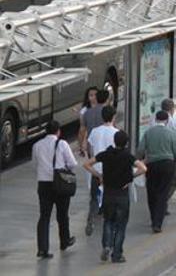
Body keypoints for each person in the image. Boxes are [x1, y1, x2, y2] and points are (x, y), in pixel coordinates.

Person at [83, 131, 146, 264]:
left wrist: (99, 175)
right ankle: (117, 254)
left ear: (114, 141)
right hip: (122, 195)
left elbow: (87, 164)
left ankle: (106, 245)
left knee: (108, 221)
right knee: (121, 225)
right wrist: (130, 178)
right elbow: (143, 168)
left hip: (108, 194)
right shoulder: (128, 156)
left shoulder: (106, 154)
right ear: (126, 143)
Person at [32, 120, 77, 259]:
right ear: (58, 131)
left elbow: (35, 164)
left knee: (44, 216)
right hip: (60, 183)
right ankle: (64, 241)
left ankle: (42, 249)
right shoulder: (62, 144)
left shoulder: (37, 145)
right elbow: (72, 163)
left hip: (43, 184)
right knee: (62, 214)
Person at [137, 111, 176, 233]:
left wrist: (141, 160)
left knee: (152, 192)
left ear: (156, 119)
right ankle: (158, 223)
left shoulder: (148, 133)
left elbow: (140, 150)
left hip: (152, 165)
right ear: (167, 121)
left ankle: (153, 219)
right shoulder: (171, 134)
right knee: (163, 193)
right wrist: (173, 162)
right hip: (167, 165)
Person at [85, 105, 118, 236]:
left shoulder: (94, 131)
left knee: (94, 197)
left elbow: (90, 149)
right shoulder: (116, 133)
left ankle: (91, 217)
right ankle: (108, 223)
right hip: (111, 172)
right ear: (113, 117)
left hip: (96, 170)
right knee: (110, 199)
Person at [80, 89, 110, 154]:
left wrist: (82, 144)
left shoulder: (87, 113)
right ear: (107, 100)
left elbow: (82, 130)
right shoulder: (108, 112)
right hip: (104, 144)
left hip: (91, 144)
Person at [76, 86, 99, 156]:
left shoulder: (104, 108)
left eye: (96, 95)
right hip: (91, 142)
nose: (94, 97)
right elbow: (82, 129)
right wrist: (81, 146)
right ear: (88, 98)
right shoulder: (84, 111)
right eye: (91, 95)